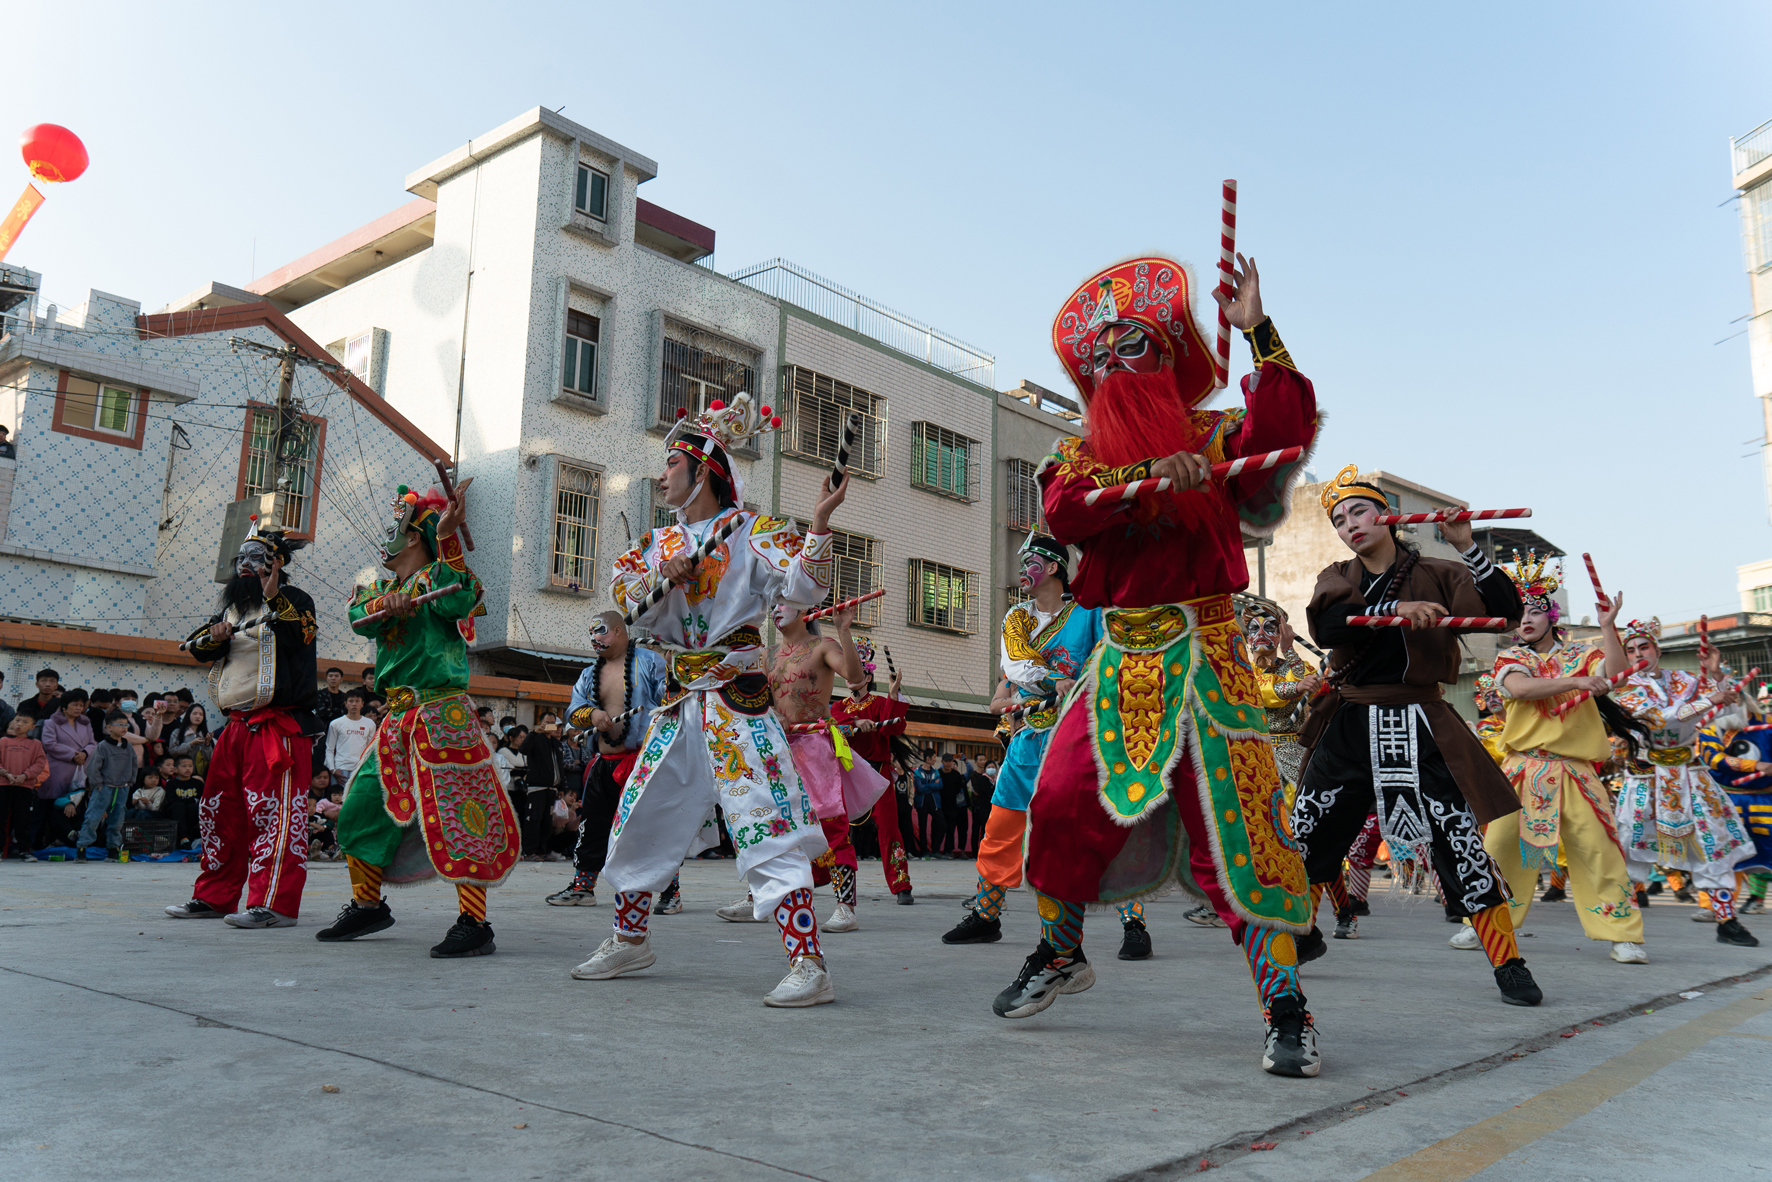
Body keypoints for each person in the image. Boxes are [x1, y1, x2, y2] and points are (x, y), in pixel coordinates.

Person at [991, 253, 1322, 1079]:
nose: (1110, 364)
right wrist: (1144, 479)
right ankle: (1061, 952)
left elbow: (1283, 436)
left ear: (1169, 358)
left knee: (1234, 835)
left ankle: (1287, 1005)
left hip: (1209, 654)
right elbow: (1067, 513)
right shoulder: (1080, 458)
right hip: (1119, 662)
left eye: (1129, 346)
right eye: (1097, 357)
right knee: (1061, 800)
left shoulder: (1214, 438)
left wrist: (1259, 334)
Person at [570, 392, 844, 1007]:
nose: (662, 474)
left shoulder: (752, 532)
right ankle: (630, 936)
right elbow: (621, 597)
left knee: (763, 817)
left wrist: (821, 522)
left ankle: (808, 961)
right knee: (641, 814)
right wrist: (658, 579)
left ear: (704, 473)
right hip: (676, 701)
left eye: (672, 464)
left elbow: (803, 584)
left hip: (735, 696)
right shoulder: (657, 543)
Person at [1295, 465, 1538, 1008]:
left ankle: (1509, 962)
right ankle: (1298, 935)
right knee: (1310, 831)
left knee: (1459, 840)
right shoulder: (1337, 576)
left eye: (1359, 510)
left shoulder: (1440, 571)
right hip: (1350, 723)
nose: (1349, 524)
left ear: (1386, 515)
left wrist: (1468, 546)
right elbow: (1327, 629)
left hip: (1421, 720)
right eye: (1338, 519)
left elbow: (1504, 614)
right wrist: (1394, 611)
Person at [319, 480, 519, 958]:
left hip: (442, 713)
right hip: (396, 717)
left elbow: (461, 598)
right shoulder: (380, 588)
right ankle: (368, 905)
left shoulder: (439, 581)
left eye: (396, 525)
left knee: (461, 816)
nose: (386, 534)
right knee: (360, 805)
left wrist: (448, 538)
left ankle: (475, 922)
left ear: (412, 536)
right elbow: (358, 615)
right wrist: (388, 602)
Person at [948, 534, 1153, 958]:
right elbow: (1015, 664)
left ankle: (1134, 924)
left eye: (1031, 562)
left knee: (1103, 832)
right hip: (1028, 739)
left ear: (1054, 567)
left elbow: (1110, 661)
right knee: (1001, 827)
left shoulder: (1090, 613)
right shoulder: (1016, 618)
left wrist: (1090, 683)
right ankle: (987, 915)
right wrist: (1053, 681)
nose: (1022, 569)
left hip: (1081, 738)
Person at [1476, 553, 1650, 963]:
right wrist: (1575, 681)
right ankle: (1486, 924)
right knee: (1499, 846)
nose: (1526, 619)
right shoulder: (1511, 659)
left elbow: (1615, 672)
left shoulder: (1583, 655)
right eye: (1519, 613)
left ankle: (1621, 932)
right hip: (1523, 766)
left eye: (1535, 610)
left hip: (1575, 768)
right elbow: (1519, 689)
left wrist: (1608, 628)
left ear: (1552, 616)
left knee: (1597, 849)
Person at [165, 520, 320, 927]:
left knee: (274, 816)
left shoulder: (296, 601)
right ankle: (214, 897)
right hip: (235, 726)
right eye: (242, 559)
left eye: (258, 559)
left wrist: (273, 598)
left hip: (278, 726)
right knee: (220, 812)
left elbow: (296, 638)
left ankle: (274, 904)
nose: (247, 566)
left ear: (277, 563)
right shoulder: (232, 611)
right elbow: (198, 648)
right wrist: (217, 635)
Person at [714, 602, 883, 933]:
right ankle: (760, 895)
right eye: (773, 604)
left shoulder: (824, 646)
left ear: (808, 608)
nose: (776, 610)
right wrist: (767, 711)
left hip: (815, 746)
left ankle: (845, 906)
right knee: (771, 824)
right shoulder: (768, 654)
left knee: (831, 825)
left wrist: (844, 630)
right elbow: (755, 696)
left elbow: (854, 677)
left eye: (784, 603)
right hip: (777, 748)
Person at [1612, 617, 1759, 946]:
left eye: (1644, 647)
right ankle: (1624, 929)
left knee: (1713, 839)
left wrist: (1717, 674)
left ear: (1658, 649)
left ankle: (1726, 919)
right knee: (1631, 847)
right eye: (1631, 649)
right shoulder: (1626, 688)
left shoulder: (1686, 679)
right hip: (1646, 776)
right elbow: (1662, 717)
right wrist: (1712, 699)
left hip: (1690, 773)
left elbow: (1727, 709)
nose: (1638, 654)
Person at [549, 611, 668, 907]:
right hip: (603, 764)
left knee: (648, 829)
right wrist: (591, 714)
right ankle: (583, 887)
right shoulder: (590, 674)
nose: (595, 639)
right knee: (592, 827)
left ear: (618, 631)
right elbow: (573, 710)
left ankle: (670, 892)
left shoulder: (651, 662)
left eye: (600, 632)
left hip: (642, 763)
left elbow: (671, 704)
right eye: (591, 634)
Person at [830, 639, 915, 902]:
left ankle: (901, 886)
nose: (852, 679)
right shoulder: (838, 707)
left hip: (878, 774)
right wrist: (856, 721)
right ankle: (832, 882)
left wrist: (892, 694)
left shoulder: (878, 704)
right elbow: (833, 726)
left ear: (868, 676)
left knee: (889, 830)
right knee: (837, 830)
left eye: (858, 674)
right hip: (849, 775)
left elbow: (895, 726)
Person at [77, 712, 137, 860]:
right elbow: (92, 767)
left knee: (117, 820)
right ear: (109, 727)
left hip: (122, 788)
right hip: (104, 788)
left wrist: (130, 783)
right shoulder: (102, 746)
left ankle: (113, 849)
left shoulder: (128, 746)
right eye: (120, 725)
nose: (124, 728)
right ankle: (82, 848)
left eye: (126, 725)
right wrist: (97, 784)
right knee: (93, 818)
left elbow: (134, 765)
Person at [40, 689, 94, 837]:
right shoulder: (51, 723)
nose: (79, 708)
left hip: (81, 770)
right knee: (53, 807)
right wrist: (73, 755)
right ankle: (47, 840)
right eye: (75, 704)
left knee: (76, 807)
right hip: (58, 771)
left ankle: (69, 840)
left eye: (81, 705)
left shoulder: (85, 724)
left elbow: (93, 743)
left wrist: (85, 753)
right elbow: (49, 744)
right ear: (64, 706)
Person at [0, 712, 47, 858]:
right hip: (3, 784)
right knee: (1, 818)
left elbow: (39, 763)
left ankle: (24, 850)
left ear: (32, 727)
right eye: (17, 720)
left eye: (24, 722)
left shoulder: (35, 744)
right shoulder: (3, 741)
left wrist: (25, 776)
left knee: (23, 819)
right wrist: (6, 774)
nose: (19, 724)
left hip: (24, 786)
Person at [521, 711, 565, 860]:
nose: (551, 726)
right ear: (541, 723)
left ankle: (542, 851)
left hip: (552, 789)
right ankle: (529, 851)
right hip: (537, 788)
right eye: (547, 722)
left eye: (553, 723)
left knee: (547, 822)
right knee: (533, 819)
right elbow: (523, 749)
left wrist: (562, 787)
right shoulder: (535, 738)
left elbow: (560, 766)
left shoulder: (557, 743)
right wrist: (533, 733)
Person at [323, 690, 374, 786]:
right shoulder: (336, 723)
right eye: (351, 701)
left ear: (362, 703)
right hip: (340, 769)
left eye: (357, 701)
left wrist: (367, 769)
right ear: (345, 704)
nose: (354, 704)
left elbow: (370, 749)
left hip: (360, 769)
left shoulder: (370, 724)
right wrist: (332, 770)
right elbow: (329, 748)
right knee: (338, 799)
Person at [165, 757, 204, 848]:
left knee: (194, 807)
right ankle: (183, 837)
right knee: (179, 806)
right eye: (184, 766)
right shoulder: (171, 783)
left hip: (191, 812)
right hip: (175, 811)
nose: (188, 768)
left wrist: (189, 801)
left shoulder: (198, 783)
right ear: (175, 769)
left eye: (190, 766)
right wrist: (192, 800)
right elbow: (172, 800)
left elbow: (201, 799)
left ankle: (188, 837)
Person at [165, 703, 213, 777]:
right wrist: (191, 744)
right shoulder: (178, 732)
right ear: (188, 715)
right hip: (180, 774)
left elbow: (208, 758)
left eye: (201, 714)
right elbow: (172, 751)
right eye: (195, 713)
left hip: (200, 774)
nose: (198, 716)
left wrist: (207, 744)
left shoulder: (204, 735)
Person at [912, 751, 944, 856]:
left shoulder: (935, 771)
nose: (935, 759)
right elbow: (920, 789)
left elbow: (940, 785)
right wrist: (932, 785)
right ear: (927, 758)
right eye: (934, 757)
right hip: (922, 803)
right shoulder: (917, 771)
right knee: (923, 827)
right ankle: (924, 851)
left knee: (942, 824)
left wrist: (926, 785)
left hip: (934, 803)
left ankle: (935, 850)